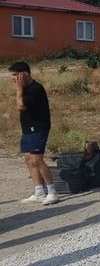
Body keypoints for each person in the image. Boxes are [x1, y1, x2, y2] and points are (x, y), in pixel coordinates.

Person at [9, 61, 59, 204]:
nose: (13, 79)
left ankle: (52, 191)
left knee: (37, 159)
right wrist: (20, 89)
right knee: (28, 159)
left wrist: (19, 89)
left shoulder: (35, 89)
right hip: (27, 129)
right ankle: (39, 191)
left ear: (24, 74)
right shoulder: (25, 89)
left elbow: (20, 106)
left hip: (38, 127)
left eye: (15, 75)